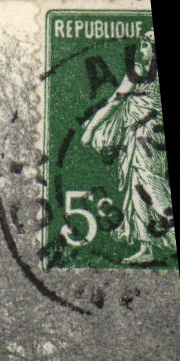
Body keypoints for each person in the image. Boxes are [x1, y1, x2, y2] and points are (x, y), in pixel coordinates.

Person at [81, 30, 172, 264]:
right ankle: (147, 248)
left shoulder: (143, 74)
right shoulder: (138, 73)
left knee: (152, 186)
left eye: (146, 46)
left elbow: (115, 104)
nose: (141, 51)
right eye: (141, 45)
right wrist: (91, 129)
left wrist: (91, 130)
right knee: (136, 190)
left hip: (149, 139)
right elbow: (115, 104)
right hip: (138, 137)